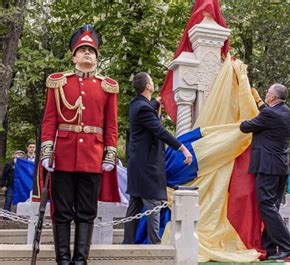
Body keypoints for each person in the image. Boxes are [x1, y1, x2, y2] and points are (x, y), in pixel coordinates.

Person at [41, 24, 119, 265]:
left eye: (91, 50)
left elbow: (111, 125)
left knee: (86, 212)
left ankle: (80, 260)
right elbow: (50, 119)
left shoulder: (108, 86)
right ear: (73, 56)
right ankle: (63, 260)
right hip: (63, 155)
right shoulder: (58, 82)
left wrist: (110, 154)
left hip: (92, 157)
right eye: (82, 50)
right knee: (62, 212)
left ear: (96, 57)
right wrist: (47, 150)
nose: (87, 53)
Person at [123, 72, 192, 244]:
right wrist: (183, 148)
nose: (153, 83)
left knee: (134, 209)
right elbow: (160, 131)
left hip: (137, 166)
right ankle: (156, 248)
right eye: (152, 81)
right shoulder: (144, 108)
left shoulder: (136, 104)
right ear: (148, 86)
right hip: (147, 168)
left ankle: (127, 246)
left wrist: (157, 102)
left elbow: (147, 109)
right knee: (152, 207)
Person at [240, 84, 290, 261]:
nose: (265, 95)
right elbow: (267, 113)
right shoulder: (285, 111)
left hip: (268, 166)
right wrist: (259, 102)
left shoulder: (270, 114)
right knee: (273, 207)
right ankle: (270, 248)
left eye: (267, 94)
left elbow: (245, 126)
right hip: (280, 167)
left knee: (266, 205)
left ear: (272, 98)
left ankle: (288, 246)